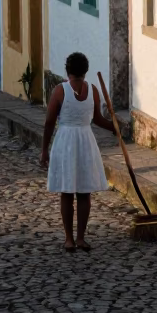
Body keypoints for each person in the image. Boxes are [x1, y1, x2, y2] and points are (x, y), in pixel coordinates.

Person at [40, 52, 114, 251]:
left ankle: (69, 239)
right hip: (85, 140)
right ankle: (81, 238)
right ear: (85, 70)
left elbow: (49, 122)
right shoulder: (93, 90)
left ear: (67, 70)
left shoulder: (59, 91)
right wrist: (114, 127)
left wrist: (44, 150)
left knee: (67, 191)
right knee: (84, 192)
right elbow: (98, 119)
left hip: (65, 140)